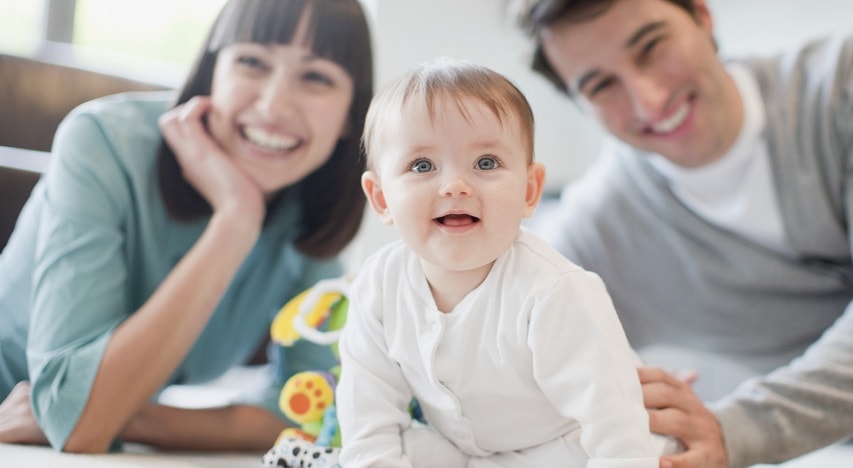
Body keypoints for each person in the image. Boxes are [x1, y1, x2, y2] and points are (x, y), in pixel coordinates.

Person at [0, 0, 373, 454]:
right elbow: (81, 426)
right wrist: (236, 221)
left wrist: (130, 416)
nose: (274, 105)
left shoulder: (309, 206)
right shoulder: (102, 141)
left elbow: (319, 413)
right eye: (252, 62)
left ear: (351, 116)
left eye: (316, 77)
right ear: (211, 72)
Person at [513, 0, 853, 466]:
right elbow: (500, 327)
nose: (649, 99)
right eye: (601, 85)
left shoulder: (840, 84)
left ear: (702, 15)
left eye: (652, 46)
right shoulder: (601, 229)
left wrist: (735, 430)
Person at [336, 58, 677, 467]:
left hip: (571, 444)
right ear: (381, 199)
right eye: (422, 166)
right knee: (384, 447)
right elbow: (368, 412)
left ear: (530, 191)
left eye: (486, 163)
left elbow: (615, 425)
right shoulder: (378, 286)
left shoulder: (553, 291)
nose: (455, 186)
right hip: (470, 452)